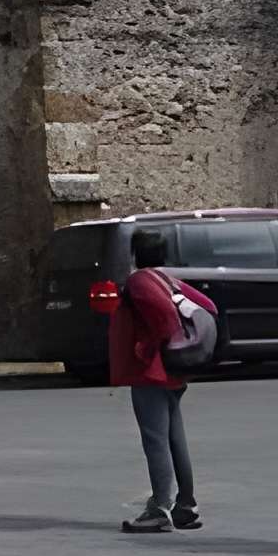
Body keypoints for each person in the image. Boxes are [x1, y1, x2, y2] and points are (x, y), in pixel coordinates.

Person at [107, 227, 199, 533]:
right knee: (175, 440)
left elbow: (164, 318)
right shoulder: (167, 280)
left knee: (156, 441)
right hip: (173, 370)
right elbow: (205, 306)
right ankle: (185, 504)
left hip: (152, 372)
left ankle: (161, 507)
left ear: (135, 254)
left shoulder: (141, 280)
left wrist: (145, 348)